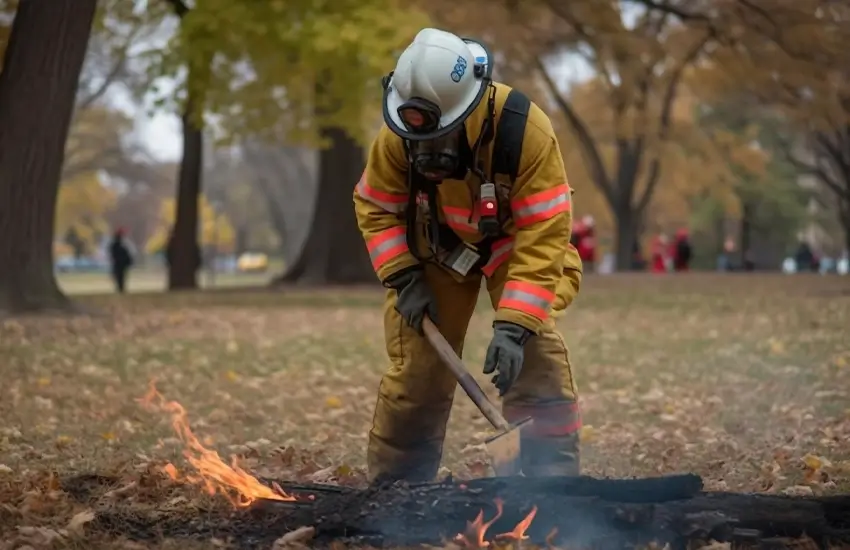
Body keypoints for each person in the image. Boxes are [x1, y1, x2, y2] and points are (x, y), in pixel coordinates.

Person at [353, 28, 584, 483]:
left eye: (441, 137)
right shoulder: (395, 137)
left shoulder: (526, 131)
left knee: (536, 353)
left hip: (516, 247)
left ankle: (552, 486)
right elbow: (376, 208)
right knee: (417, 371)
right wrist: (403, 277)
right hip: (434, 249)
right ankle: (398, 492)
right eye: (418, 140)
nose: (425, 153)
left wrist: (515, 325)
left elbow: (544, 232)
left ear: (472, 114)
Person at [108, 227, 134, 293]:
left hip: (119, 263)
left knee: (120, 276)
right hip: (119, 263)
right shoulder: (118, 245)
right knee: (120, 276)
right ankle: (121, 288)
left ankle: (121, 288)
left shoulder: (118, 244)